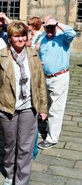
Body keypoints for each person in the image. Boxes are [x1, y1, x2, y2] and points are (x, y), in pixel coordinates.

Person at [0, 22, 48, 185]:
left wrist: (43, 107)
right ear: (10, 38)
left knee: (25, 148)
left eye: (23, 35)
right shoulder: (0, 55)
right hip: (7, 107)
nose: (21, 39)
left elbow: (40, 82)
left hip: (29, 107)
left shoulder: (33, 54)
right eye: (16, 36)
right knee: (10, 144)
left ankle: (22, 180)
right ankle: (9, 173)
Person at [37, 17, 77, 150]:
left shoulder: (62, 38)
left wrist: (58, 23)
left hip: (59, 77)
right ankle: (50, 128)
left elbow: (72, 33)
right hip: (46, 77)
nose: (49, 29)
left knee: (56, 108)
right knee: (47, 106)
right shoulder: (43, 40)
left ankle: (52, 138)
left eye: (51, 27)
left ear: (55, 27)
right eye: (47, 27)